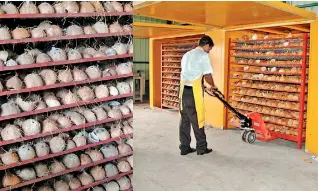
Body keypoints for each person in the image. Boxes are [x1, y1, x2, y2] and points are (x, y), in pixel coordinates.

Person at [178, 35, 217, 155]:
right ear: (206, 45)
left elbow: (189, 74)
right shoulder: (203, 56)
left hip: (183, 90)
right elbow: (207, 75)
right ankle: (201, 148)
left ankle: (184, 147)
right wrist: (213, 86)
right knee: (197, 119)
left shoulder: (187, 54)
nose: (209, 51)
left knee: (184, 119)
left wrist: (201, 85)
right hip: (193, 93)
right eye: (209, 48)